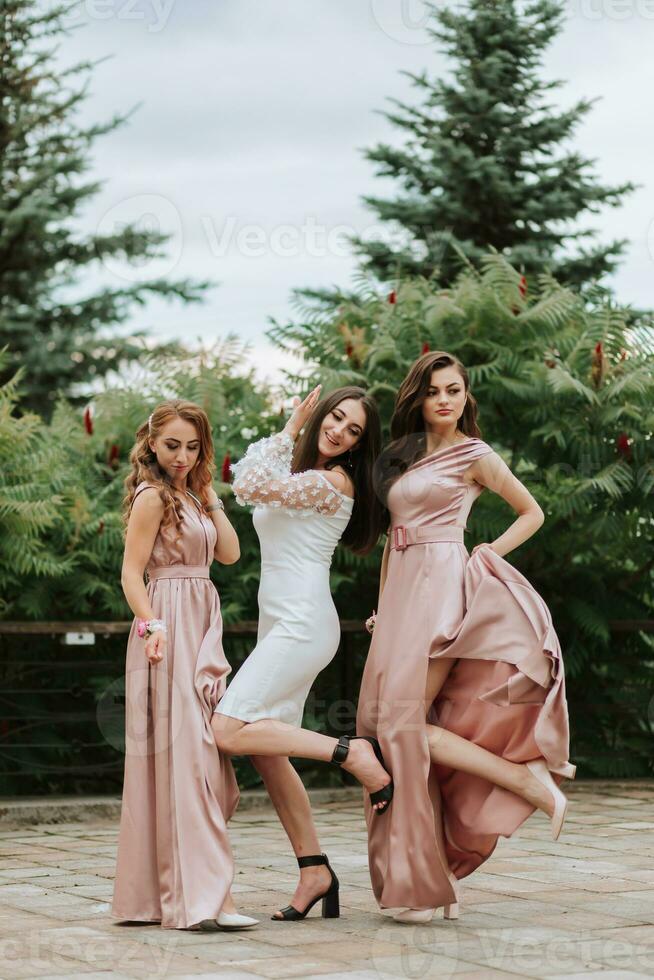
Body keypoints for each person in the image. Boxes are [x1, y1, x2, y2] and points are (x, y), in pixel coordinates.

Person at [357, 351, 575, 924]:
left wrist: (485, 554)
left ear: (465, 397)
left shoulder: (475, 455)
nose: (445, 400)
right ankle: (439, 875)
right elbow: (392, 540)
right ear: (419, 399)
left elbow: (531, 513)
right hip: (400, 598)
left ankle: (521, 789)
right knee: (381, 729)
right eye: (434, 391)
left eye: (454, 390)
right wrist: (383, 607)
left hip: (443, 591)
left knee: (404, 727)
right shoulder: (399, 457)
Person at [211, 385, 391, 922]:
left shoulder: (332, 483)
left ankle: (352, 753)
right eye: (335, 417)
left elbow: (246, 483)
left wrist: (290, 429)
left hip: (304, 623)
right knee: (267, 752)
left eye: (353, 429)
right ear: (323, 414)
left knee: (227, 729)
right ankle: (315, 870)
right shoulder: (302, 475)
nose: (339, 430)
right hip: (281, 623)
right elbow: (256, 486)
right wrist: (292, 437)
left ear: (360, 444)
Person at [112, 399, 258, 931]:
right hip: (168, 624)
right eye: (172, 444)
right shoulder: (152, 497)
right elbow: (131, 575)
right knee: (185, 759)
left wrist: (210, 497)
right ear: (152, 442)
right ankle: (201, 899)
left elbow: (231, 555)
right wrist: (153, 628)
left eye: (193, 446)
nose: (182, 455)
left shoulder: (191, 495)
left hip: (201, 620)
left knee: (203, 757)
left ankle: (183, 895)